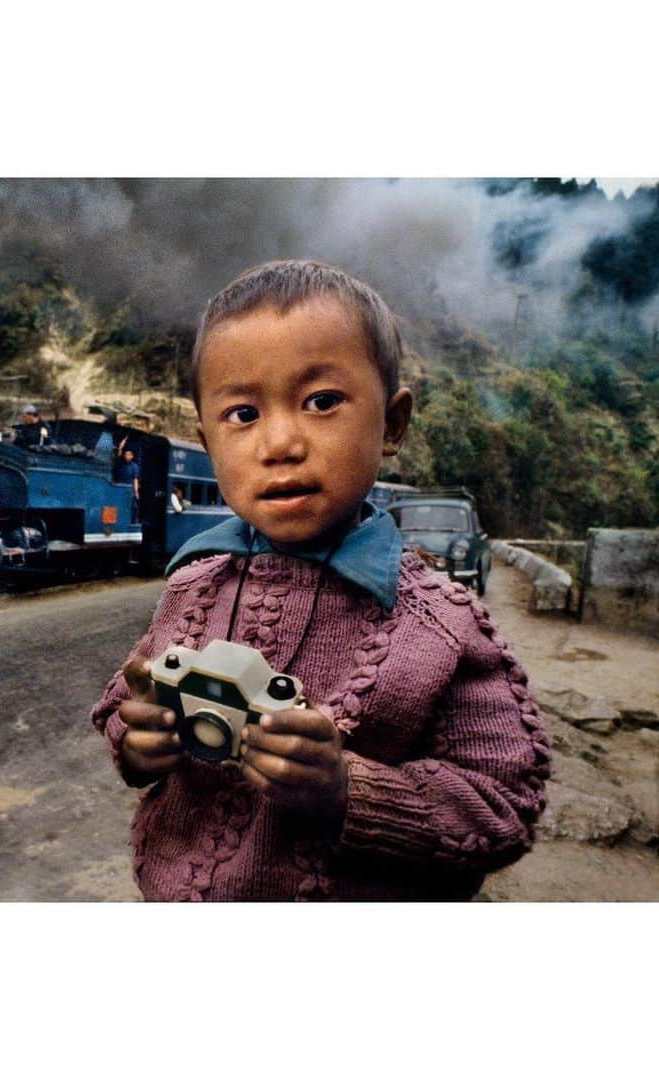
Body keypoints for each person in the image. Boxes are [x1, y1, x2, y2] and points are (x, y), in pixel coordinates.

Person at [90, 259, 550, 901]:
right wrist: (137, 741)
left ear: (392, 424)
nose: (279, 443)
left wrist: (346, 790)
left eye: (321, 402)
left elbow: (503, 806)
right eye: (243, 413)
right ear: (207, 440)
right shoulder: (190, 588)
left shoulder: (443, 624)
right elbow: (124, 702)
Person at [113, 435, 140, 521]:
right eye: (125, 454)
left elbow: (135, 479)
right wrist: (121, 446)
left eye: (128, 454)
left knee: (133, 507)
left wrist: (136, 492)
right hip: (119, 489)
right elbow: (119, 452)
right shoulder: (120, 462)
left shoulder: (135, 466)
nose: (126, 456)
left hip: (129, 491)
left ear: (132, 456)